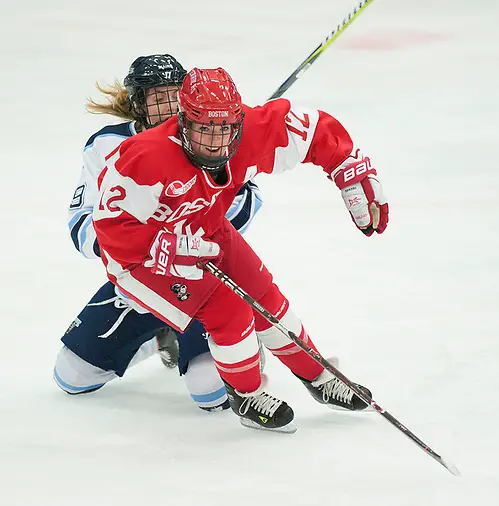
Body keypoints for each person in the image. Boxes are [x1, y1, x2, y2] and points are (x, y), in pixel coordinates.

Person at [93, 67, 389, 433]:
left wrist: (347, 164)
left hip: (207, 229)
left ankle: (318, 375)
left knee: (264, 295)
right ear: (183, 122)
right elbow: (109, 226)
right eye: (203, 129)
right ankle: (246, 395)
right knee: (228, 308)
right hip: (139, 261)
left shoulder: (250, 129)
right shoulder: (144, 156)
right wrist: (162, 246)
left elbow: (313, 129)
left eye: (225, 129)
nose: (216, 143)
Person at [55, 56, 263, 412]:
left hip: (203, 283)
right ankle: (160, 332)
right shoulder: (106, 147)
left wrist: (208, 199)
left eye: (174, 95)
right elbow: (80, 224)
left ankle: (247, 337)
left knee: (211, 393)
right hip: (139, 282)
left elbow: (248, 207)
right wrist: (146, 246)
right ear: (138, 103)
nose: (168, 106)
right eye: (157, 97)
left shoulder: (208, 136)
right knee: (71, 376)